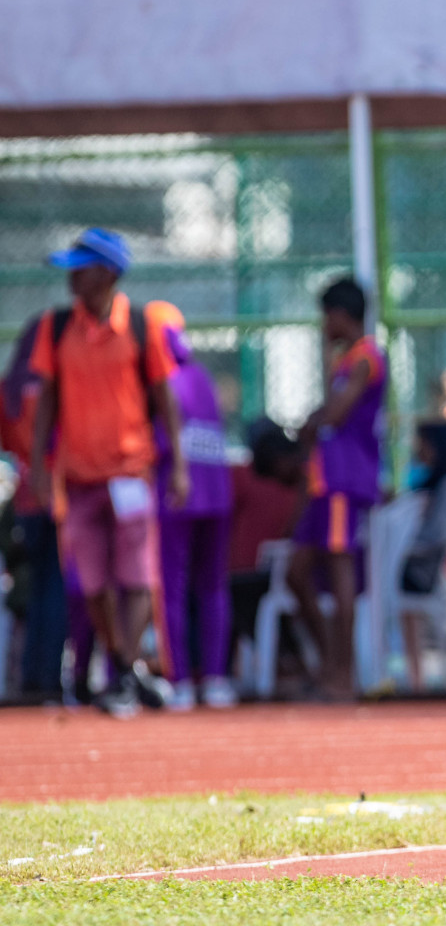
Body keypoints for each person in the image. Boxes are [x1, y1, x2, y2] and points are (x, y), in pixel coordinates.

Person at [27, 228, 189, 718]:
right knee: (90, 582)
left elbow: (164, 400)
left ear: (108, 273)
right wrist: (38, 462)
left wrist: (178, 465)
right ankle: (127, 665)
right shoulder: (55, 328)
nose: (71, 277)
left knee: (137, 576)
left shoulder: (141, 326)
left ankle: (121, 673)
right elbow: (48, 399)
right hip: (77, 477)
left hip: (130, 473)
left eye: (81, 267)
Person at [288, 277, 387, 700]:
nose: (322, 325)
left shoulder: (366, 358)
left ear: (341, 315)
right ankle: (328, 660)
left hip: (345, 480)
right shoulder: (344, 361)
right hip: (323, 480)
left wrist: (313, 422)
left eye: (326, 316)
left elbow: (337, 414)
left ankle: (342, 675)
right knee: (296, 572)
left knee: (341, 568)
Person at [148, 302, 236, 711]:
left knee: (170, 588)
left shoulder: (159, 379)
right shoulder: (201, 375)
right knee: (212, 586)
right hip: (217, 492)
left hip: (175, 492)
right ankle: (216, 679)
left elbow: (157, 442)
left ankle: (178, 679)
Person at [1, 316, 68, 702]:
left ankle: (31, 674)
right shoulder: (56, 386)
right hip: (57, 495)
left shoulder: (9, 389)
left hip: (26, 497)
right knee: (56, 588)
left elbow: (10, 445)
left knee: (36, 585)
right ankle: (49, 678)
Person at [399, 420, 446, 692]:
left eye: (424, 444)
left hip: (422, 569)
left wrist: (402, 548)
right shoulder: (431, 484)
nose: (418, 449)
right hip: (413, 564)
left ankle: (415, 678)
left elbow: (437, 534)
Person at [228, 420, 308, 677]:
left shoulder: (250, 477)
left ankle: (288, 664)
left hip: (272, 574)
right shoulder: (258, 477)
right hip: (269, 574)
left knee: (239, 595)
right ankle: (287, 663)